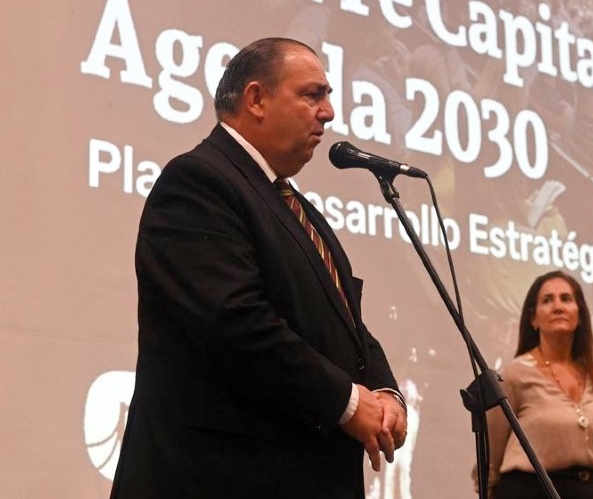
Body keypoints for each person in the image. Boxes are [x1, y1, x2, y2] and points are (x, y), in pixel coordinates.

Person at [110, 37, 406, 499]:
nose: (328, 112)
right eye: (312, 95)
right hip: (219, 479)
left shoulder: (295, 206)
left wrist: (385, 393)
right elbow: (234, 322)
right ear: (256, 99)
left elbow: (346, 323)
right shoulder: (198, 182)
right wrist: (348, 403)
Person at [482, 271, 593, 499]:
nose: (558, 307)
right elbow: (491, 455)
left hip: (585, 490)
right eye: (547, 300)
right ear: (533, 318)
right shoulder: (514, 374)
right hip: (528, 491)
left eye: (566, 299)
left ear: (579, 315)